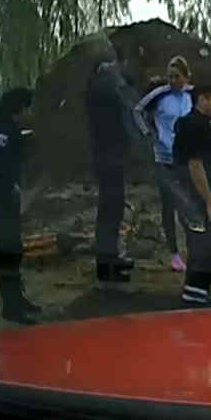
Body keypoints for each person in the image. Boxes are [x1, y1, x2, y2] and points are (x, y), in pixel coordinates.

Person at [136, 56, 211, 271]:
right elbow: (137, 111)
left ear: (186, 77)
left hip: (188, 158)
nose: (172, 80)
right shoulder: (160, 96)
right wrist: (149, 135)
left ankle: (208, 246)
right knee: (170, 205)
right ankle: (174, 253)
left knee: (199, 202)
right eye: (169, 76)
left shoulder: (194, 95)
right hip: (165, 158)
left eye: (177, 76)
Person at [0, 87, 40, 324]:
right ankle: (10, 307)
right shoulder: (2, 128)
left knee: (14, 248)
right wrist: (9, 184)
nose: (30, 112)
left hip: (6, 198)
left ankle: (18, 298)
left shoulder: (8, 126)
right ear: (20, 107)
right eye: (28, 107)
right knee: (6, 250)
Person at [86, 45, 144, 285]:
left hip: (110, 154)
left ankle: (112, 258)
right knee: (110, 208)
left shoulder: (103, 84)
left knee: (114, 207)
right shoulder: (105, 86)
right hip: (107, 154)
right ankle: (106, 263)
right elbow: (128, 107)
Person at [172, 85, 211, 305]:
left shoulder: (196, 124)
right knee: (203, 247)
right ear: (201, 100)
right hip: (197, 196)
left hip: (190, 194)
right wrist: (209, 203)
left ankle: (196, 295)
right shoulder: (196, 127)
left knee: (201, 245)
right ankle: (195, 297)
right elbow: (196, 165)